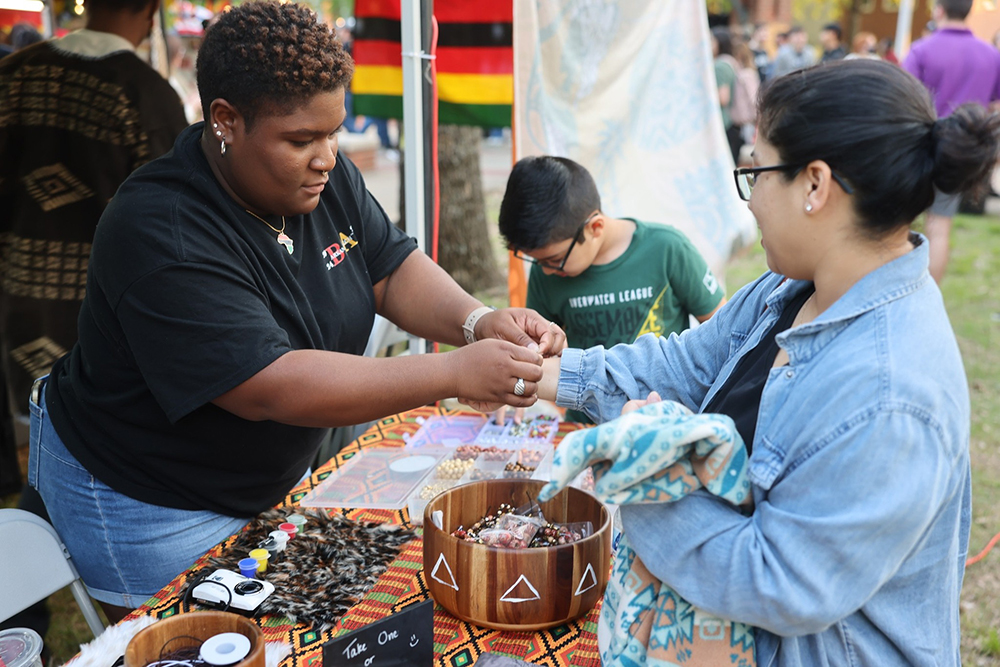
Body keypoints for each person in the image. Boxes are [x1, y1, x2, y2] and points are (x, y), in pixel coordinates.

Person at [27, 0, 563, 623]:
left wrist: (477, 321)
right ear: (226, 120)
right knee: (216, 643)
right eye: (301, 140)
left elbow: (388, 267)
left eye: (334, 132)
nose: (327, 157)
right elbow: (268, 385)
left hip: (263, 475)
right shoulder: (160, 230)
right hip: (150, 498)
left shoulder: (321, 177)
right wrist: (452, 372)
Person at [529, 60, 998, 666]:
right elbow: (684, 366)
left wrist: (641, 478)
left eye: (756, 173)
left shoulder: (891, 393)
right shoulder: (793, 287)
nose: (750, 203)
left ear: (815, 185)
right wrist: (538, 373)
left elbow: (774, 583)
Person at [498, 156, 724, 424]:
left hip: (660, 422)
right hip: (585, 425)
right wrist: (516, 382)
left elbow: (722, 334)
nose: (546, 270)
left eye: (554, 260)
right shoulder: (547, 272)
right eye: (538, 262)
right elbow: (535, 350)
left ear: (595, 228)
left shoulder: (667, 249)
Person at [904, 0, 1000, 282]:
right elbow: (995, 105)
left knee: (899, 225)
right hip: (961, 149)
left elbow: (902, 99)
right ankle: (929, 297)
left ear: (939, 10)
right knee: (939, 227)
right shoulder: (991, 55)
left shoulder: (922, 49)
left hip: (919, 146)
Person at [711, 27, 742, 163]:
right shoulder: (730, 62)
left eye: (712, 40)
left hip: (723, 121)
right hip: (731, 121)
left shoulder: (720, 66)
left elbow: (723, 98)